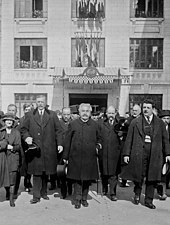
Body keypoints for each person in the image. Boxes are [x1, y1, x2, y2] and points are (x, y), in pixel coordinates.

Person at [122, 99, 170, 209]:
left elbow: (165, 139)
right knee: (139, 175)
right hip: (139, 153)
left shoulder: (160, 123)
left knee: (152, 177)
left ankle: (149, 200)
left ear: (153, 109)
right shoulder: (136, 122)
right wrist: (126, 154)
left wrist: (168, 154)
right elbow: (129, 139)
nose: (145, 110)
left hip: (155, 154)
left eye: (148, 108)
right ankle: (137, 194)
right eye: (144, 108)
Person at [21, 95, 63, 204]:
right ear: (36, 103)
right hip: (35, 149)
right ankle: (36, 196)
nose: (40, 104)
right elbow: (23, 129)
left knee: (45, 172)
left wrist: (60, 144)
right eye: (38, 102)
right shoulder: (30, 115)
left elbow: (58, 131)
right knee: (36, 173)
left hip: (49, 149)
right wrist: (27, 137)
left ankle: (44, 193)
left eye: (42, 102)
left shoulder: (52, 115)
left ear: (45, 103)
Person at [63, 103, 102, 209]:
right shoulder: (73, 124)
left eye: (87, 111)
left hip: (89, 158)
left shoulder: (95, 125)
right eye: (83, 111)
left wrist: (97, 146)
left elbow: (99, 139)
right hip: (75, 157)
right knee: (77, 180)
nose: (85, 113)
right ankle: (77, 199)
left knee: (87, 180)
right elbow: (67, 141)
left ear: (90, 113)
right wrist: (65, 157)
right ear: (79, 112)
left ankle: (84, 198)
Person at [98, 106, 121, 201]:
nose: (111, 115)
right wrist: (98, 144)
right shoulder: (101, 124)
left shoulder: (119, 124)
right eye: (109, 113)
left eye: (112, 113)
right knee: (104, 172)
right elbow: (98, 136)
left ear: (115, 114)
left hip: (115, 153)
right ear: (106, 114)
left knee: (113, 174)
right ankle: (104, 188)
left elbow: (124, 137)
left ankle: (113, 193)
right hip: (103, 152)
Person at [2, 113, 22, 207]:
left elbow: (18, 146)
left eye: (11, 120)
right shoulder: (1, 131)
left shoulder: (16, 132)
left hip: (13, 158)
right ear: (4, 122)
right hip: (2, 158)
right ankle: (7, 192)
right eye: (7, 120)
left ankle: (11, 199)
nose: (9, 122)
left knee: (12, 179)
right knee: (5, 177)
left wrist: (11, 147)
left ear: (13, 122)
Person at [119, 104, 141, 187]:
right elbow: (121, 129)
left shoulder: (142, 119)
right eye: (133, 110)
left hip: (138, 143)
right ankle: (123, 180)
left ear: (140, 111)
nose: (134, 112)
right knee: (125, 161)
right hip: (128, 142)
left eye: (136, 110)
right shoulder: (128, 119)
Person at [18, 103, 33, 192]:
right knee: (24, 165)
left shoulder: (33, 119)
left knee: (31, 165)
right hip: (23, 146)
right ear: (24, 110)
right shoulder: (21, 120)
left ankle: (28, 181)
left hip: (31, 145)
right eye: (26, 110)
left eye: (29, 110)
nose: (27, 111)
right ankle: (26, 183)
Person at [59, 107, 73, 198]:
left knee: (71, 172)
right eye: (65, 114)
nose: (66, 116)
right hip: (60, 152)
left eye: (68, 114)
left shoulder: (74, 123)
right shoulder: (58, 124)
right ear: (62, 114)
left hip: (72, 152)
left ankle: (70, 188)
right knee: (61, 173)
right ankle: (63, 191)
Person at [156, 110, 170, 200]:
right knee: (162, 174)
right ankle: (162, 192)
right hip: (159, 154)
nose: (166, 120)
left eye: (168, 118)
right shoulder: (157, 128)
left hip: (169, 154)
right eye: (164, 118)